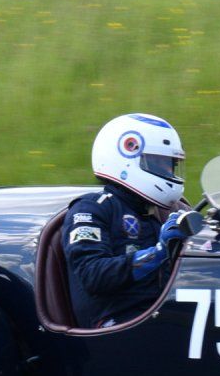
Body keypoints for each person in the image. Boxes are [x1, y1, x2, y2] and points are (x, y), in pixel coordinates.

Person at [65, 113, 193, 328]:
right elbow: (92, 275)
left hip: (163, 313)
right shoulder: (91, 209)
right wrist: (158, 253)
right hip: (118, 324)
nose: (168, 172)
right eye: (159, 164)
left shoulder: (162, 211)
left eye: (171, 165)